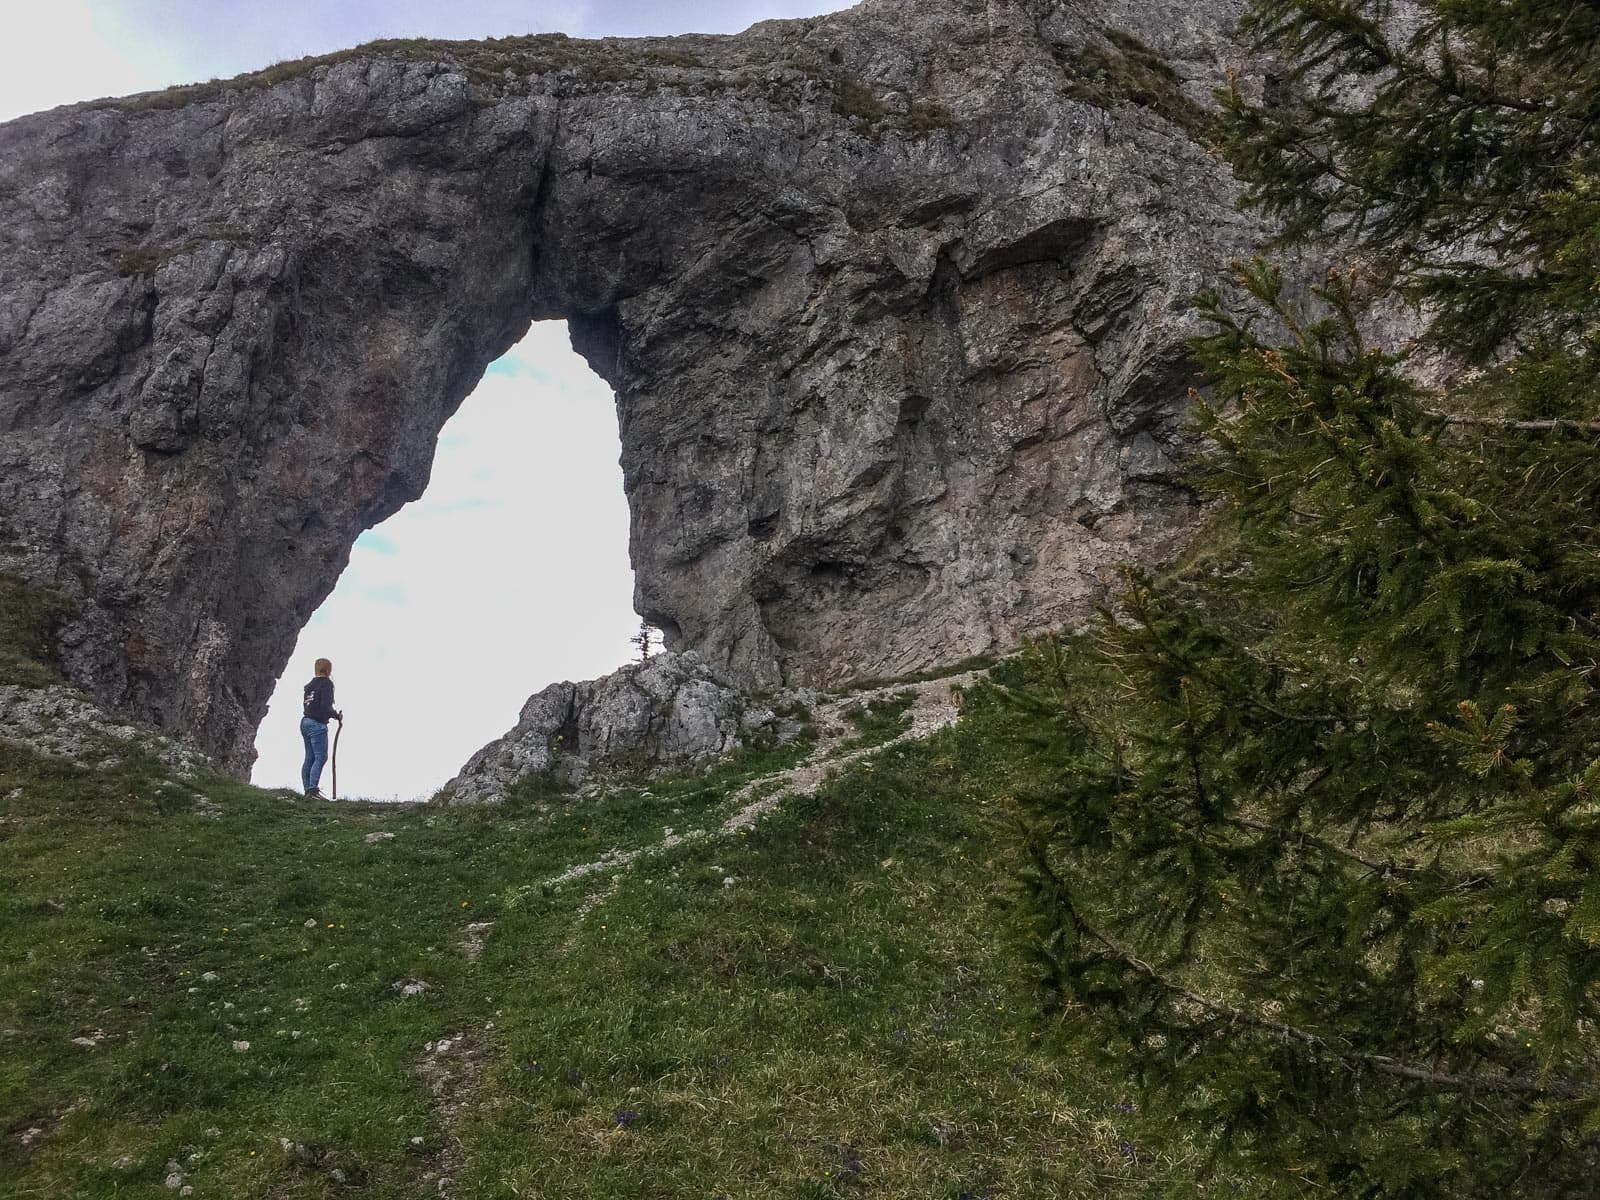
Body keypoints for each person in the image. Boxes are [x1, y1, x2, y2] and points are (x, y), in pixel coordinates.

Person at [300, 657, 342, 799]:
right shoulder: (326, 684)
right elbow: (325, 706)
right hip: (317, 724)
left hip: (305, 722)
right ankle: (313, 790)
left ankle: (307, 790)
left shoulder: (309, 685)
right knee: (320, 757)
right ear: (328, 670)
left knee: (309, 757)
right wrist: (336, 716)